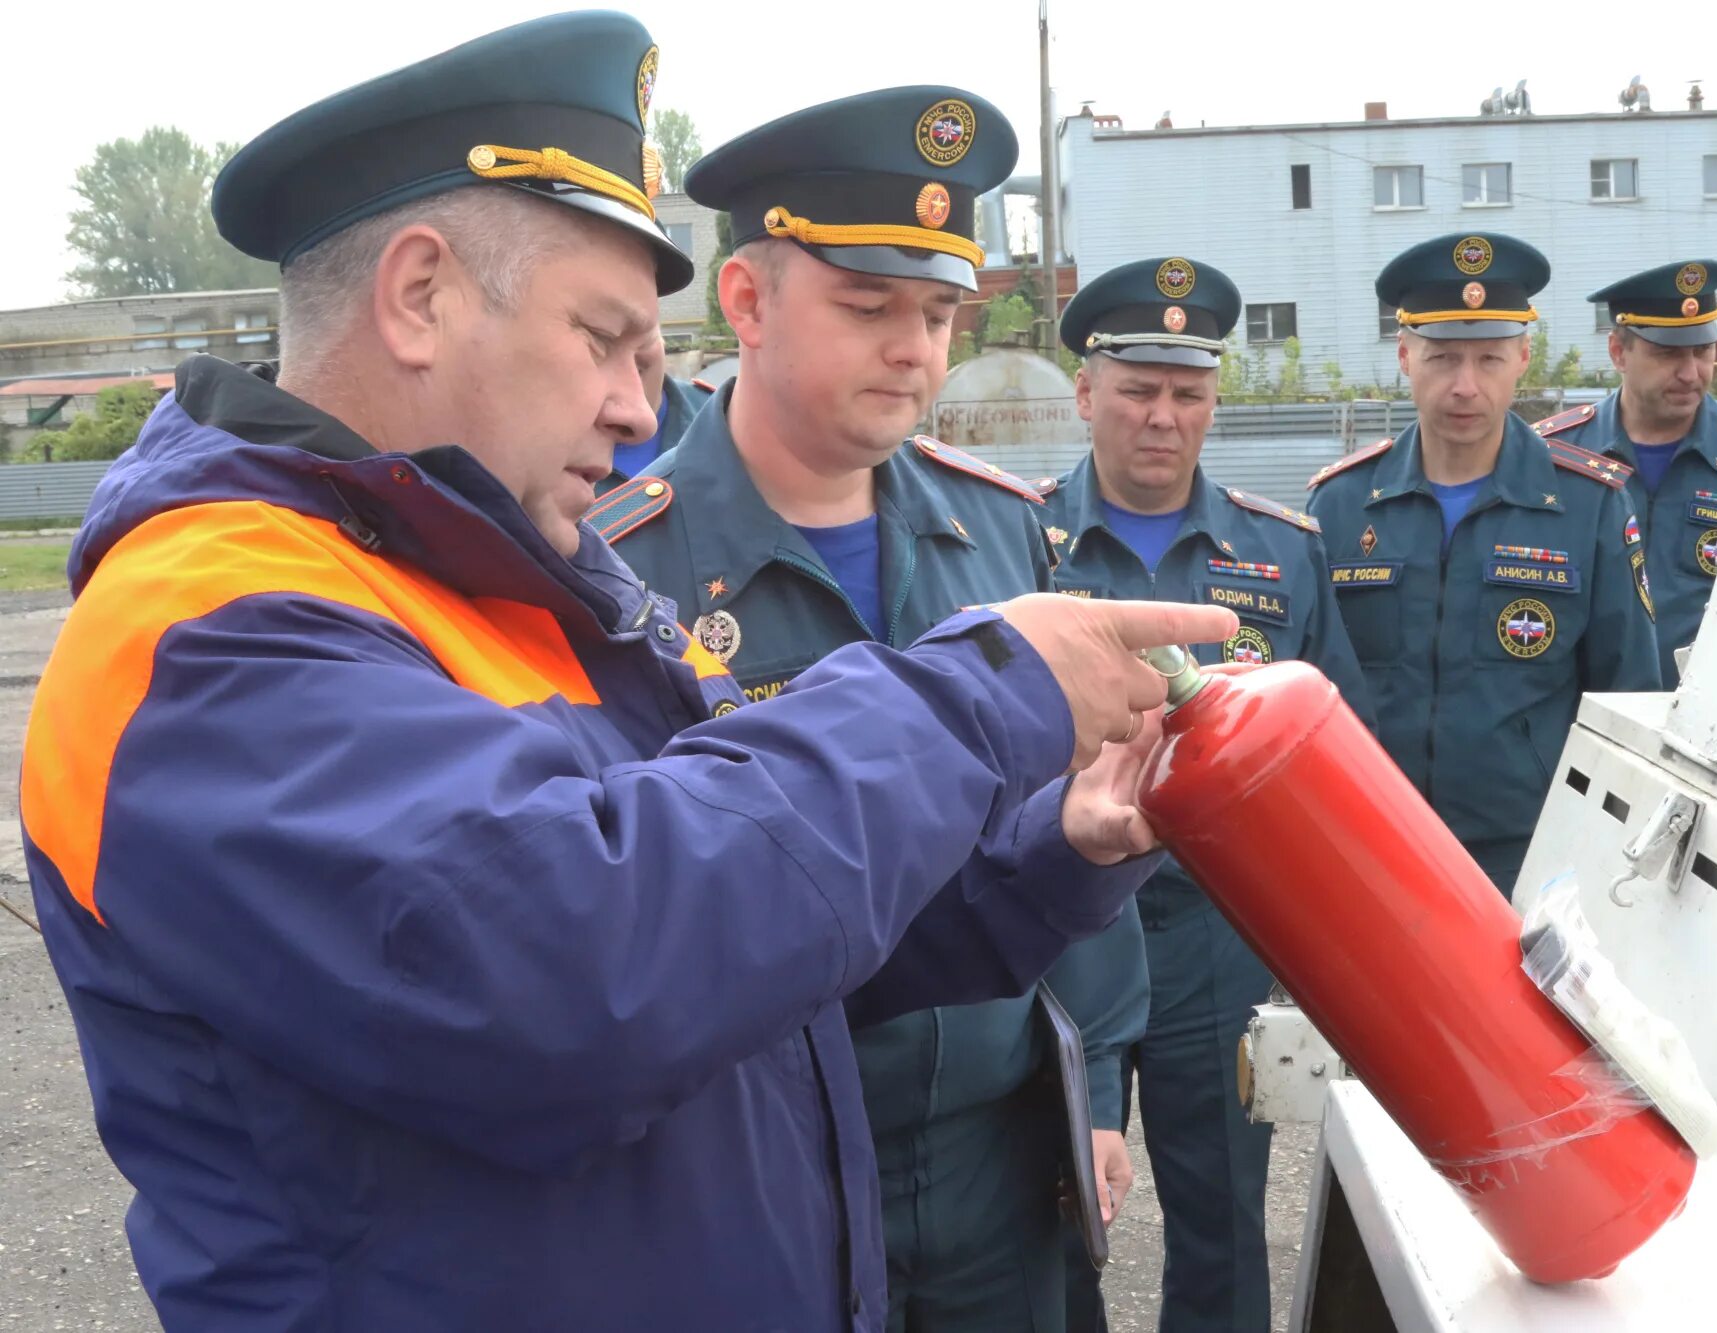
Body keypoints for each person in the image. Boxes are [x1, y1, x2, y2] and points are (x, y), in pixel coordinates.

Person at [17, 16, 1238, 1331]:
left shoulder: (481, 582)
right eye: (604, 338)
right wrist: (979, 695)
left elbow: (755, 951)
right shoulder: (203, 635)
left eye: (650, 356)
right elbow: (579, 974)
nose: (642, 410)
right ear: (419, 295)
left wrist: (1053, 852)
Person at [588, 86, 1150, 1332]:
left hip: (1000, 1158)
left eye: (940, 312)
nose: (915, 349)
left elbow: (1089, 819)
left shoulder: (1002, 528)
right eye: (867, 306)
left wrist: (1098, 1083)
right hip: (760, 1151)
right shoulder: (618, 566)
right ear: (744, 301)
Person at [1040, 255, 1375, 1333]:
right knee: (1048, 1216)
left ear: (1213, 402)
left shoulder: (1281, 555)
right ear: (1085, 392)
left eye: (1186, 393)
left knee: (1224, 1221)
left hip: (1219, 942)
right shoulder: (1014, 542)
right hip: (1055, 935)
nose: (1160, 417)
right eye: (1136, 388)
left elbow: (1335, 753)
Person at [1305, 233, 1661, 899]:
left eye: (1489, 358)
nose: (1465, 385)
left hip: (1530, 858)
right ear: (1405, 356)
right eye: (1442, 358)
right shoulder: (1341, 504)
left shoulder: (1589, 506)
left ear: (1522, 357)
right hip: (1367, 846)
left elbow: (1630, 705)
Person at [1532, 260, 1717, 684]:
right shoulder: (1554, 454)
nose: (1690, 373)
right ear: (1618, 352)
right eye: (1667, 354)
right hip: (1583, 712)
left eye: (1702, 351)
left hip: (1711, 717)